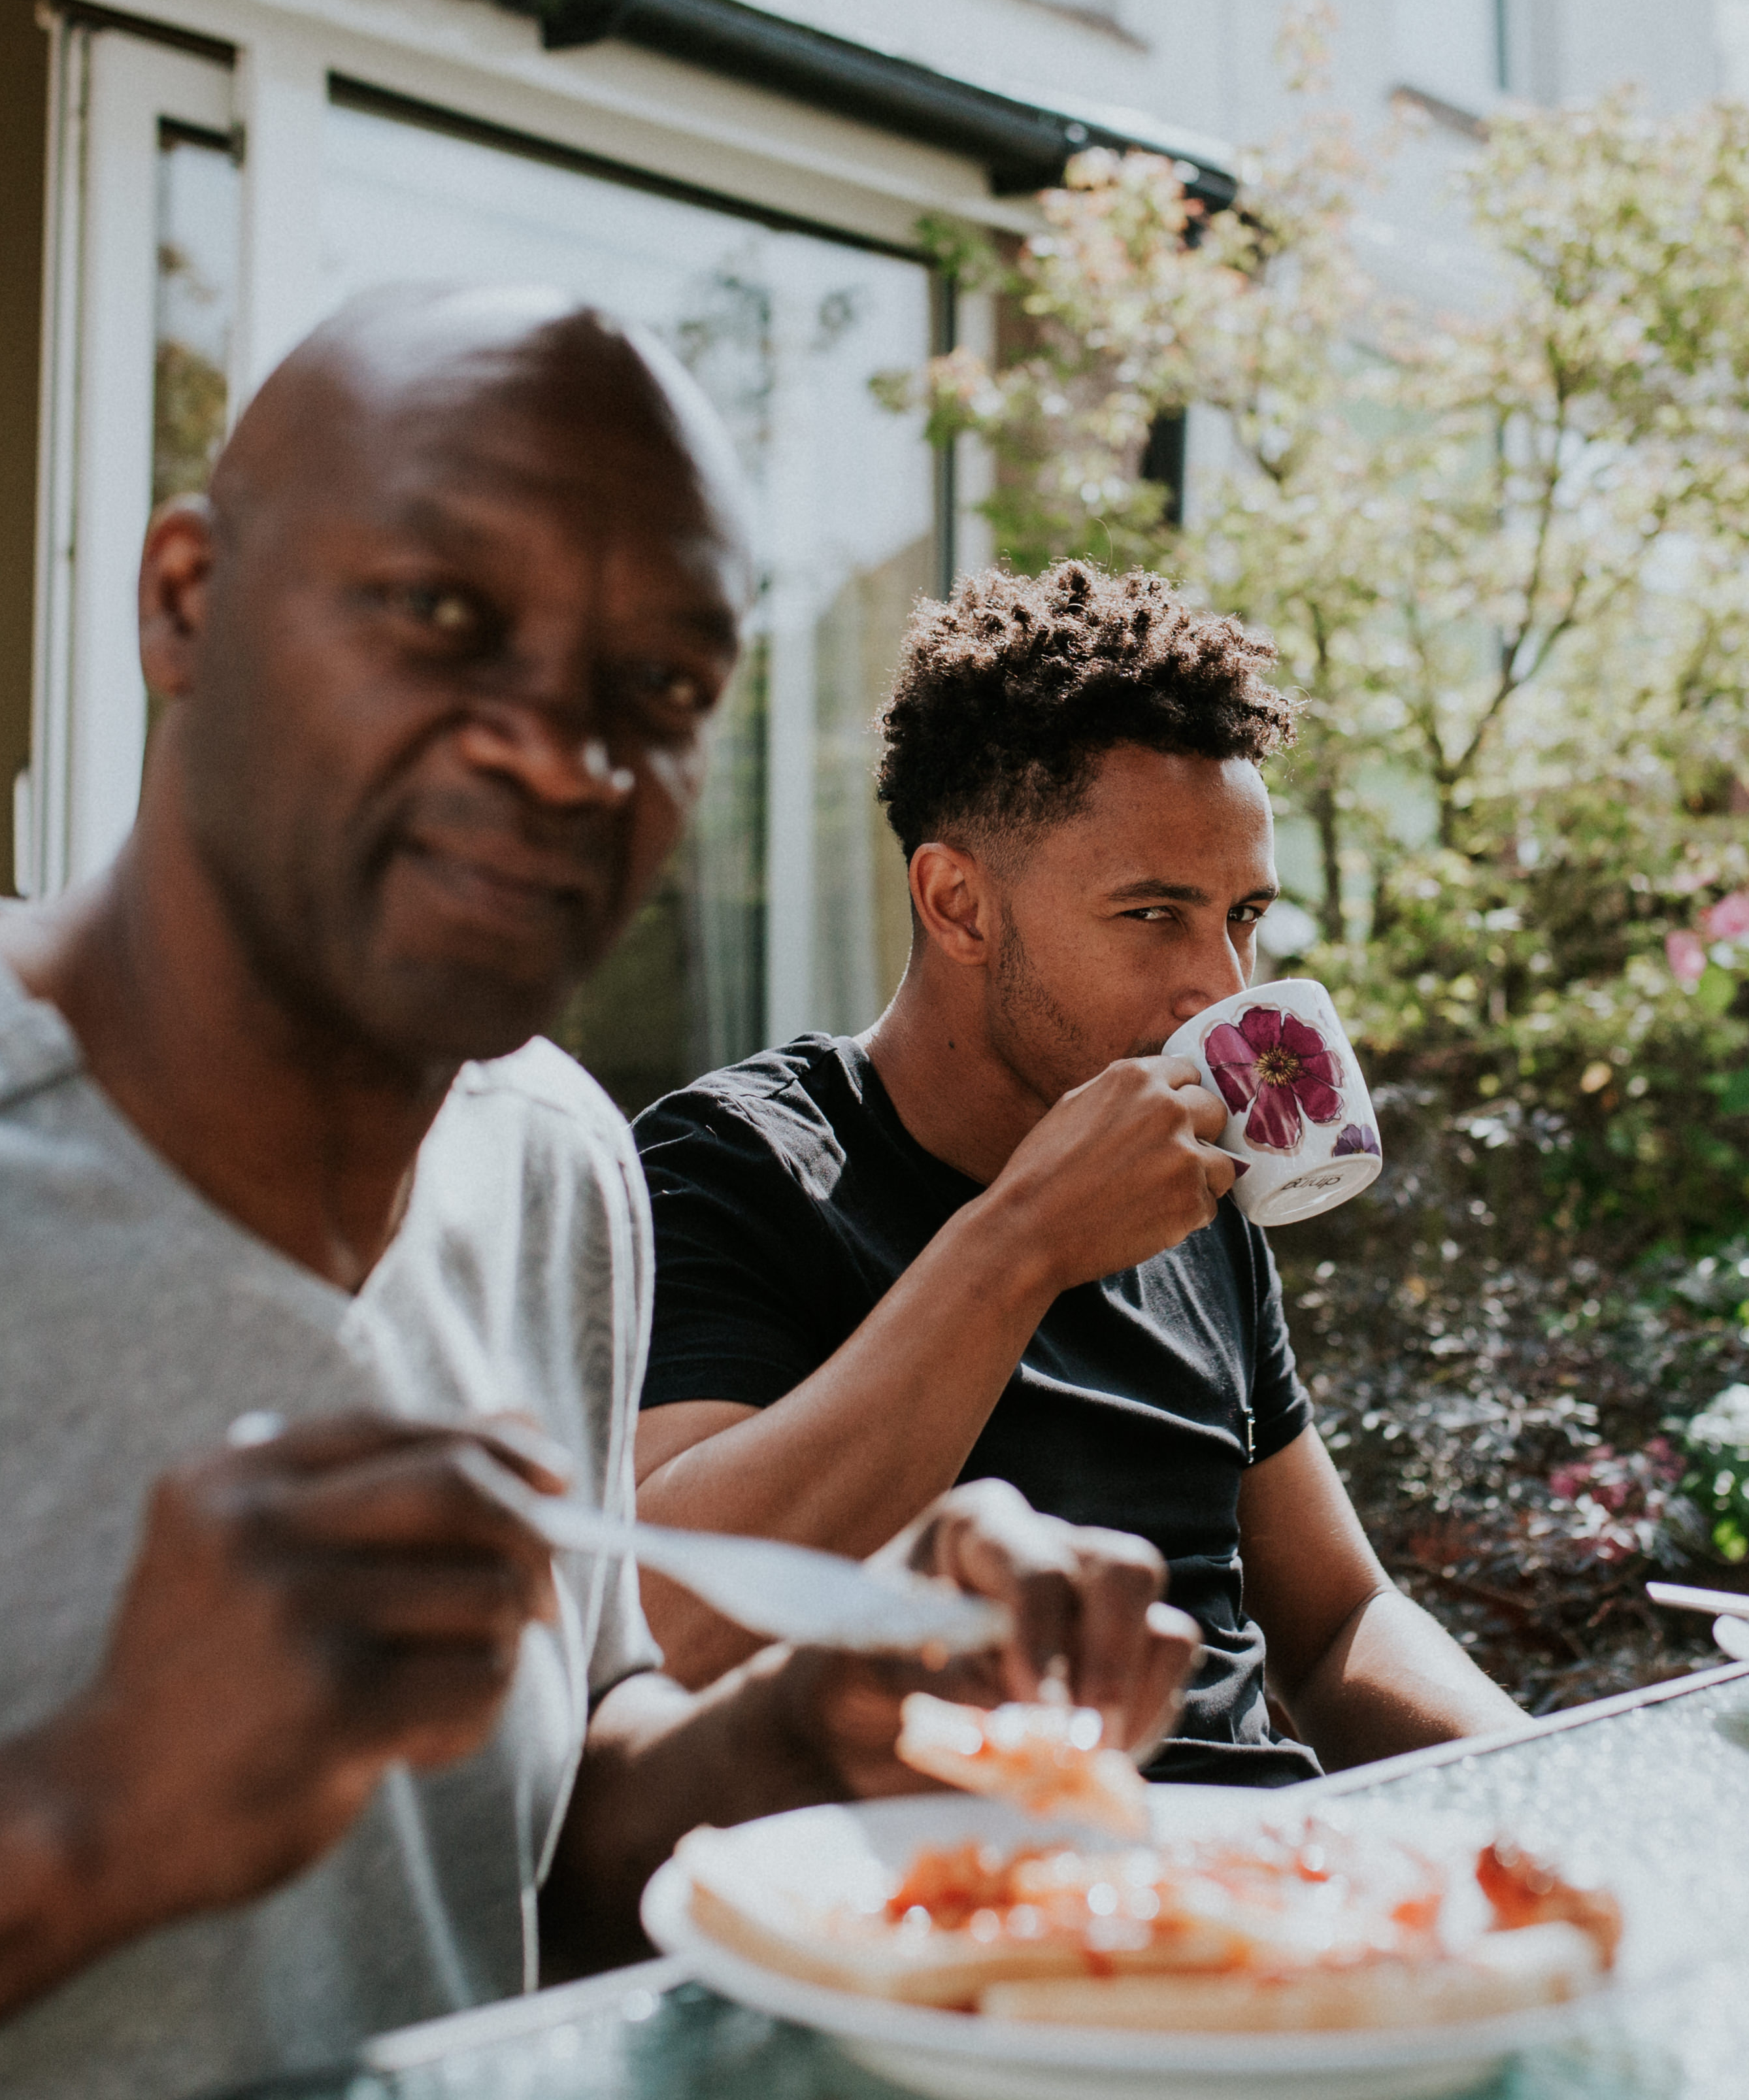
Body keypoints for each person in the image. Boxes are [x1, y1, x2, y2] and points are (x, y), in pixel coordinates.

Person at [0, 291, 1195, 2100]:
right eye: (439, 614)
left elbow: (534, 1846)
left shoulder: (544, 1160)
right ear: (184, 600)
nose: (563, 754)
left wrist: (806, 1724)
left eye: (659, 684)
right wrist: (95, 1813)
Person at [633, 563, 1525, 1783]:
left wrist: (1549, 1788)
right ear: (957, 903)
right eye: (1154, 913)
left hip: (1273, 1882)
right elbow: (666, 1629)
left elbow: (1333, 1628)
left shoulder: (1201, 1193)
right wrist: (1023, 1244)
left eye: (1245, 915)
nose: (1221, 983)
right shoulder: (736, 1168)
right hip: (953, 1907)